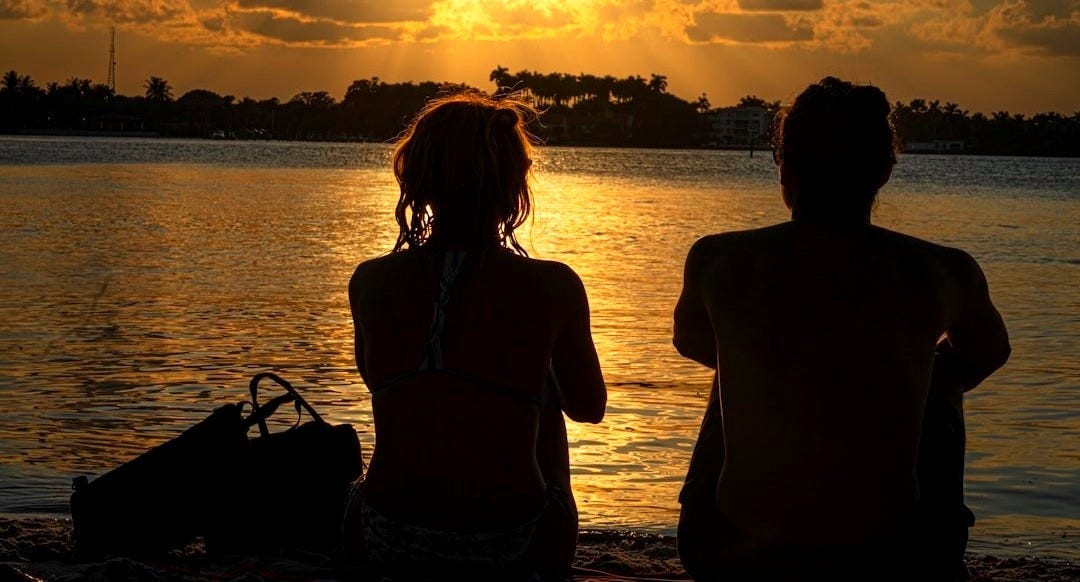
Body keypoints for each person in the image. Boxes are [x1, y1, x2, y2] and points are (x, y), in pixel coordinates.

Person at [672, 77, 1010, 581]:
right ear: (884, 172)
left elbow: (689, 339)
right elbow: (988, 352)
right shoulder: (944, 271)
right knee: (942, 375)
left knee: (736, 362)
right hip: (896, 554)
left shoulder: (717, 259)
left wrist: (780, 365)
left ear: (784, 168)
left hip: (728, 548)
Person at [342, 91, 606, 579]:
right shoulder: (553, 285)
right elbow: (589, 407)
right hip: (513, 542)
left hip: (383, 534)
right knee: (546, 395)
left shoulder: (370, 280)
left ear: (417, 178)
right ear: (512, 187)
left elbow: (377, 380)